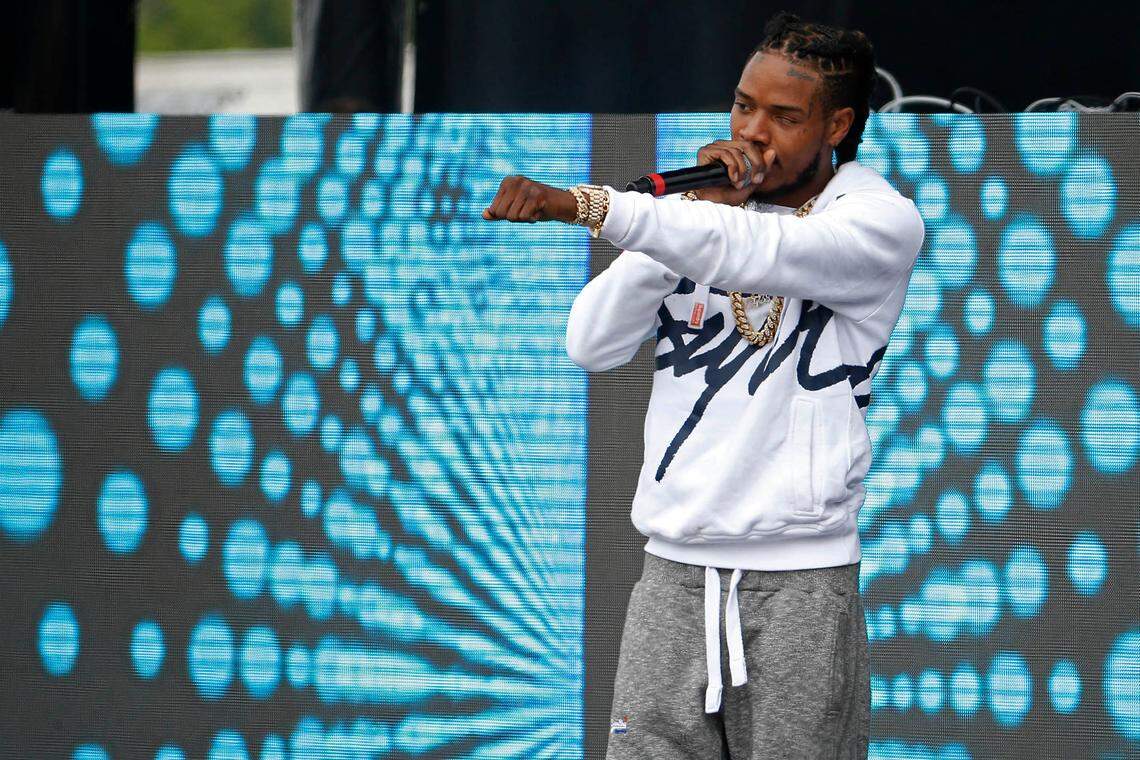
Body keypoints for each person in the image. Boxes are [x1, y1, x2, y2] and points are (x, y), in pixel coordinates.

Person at [483, 11, 924, 759]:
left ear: (838, 125)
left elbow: (759, 252)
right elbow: (591, 342)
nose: (753, 132)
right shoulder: (701, 220)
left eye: (784, 116)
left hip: (802, 580)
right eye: (743, 106)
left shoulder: (878, 221)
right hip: (673, 573)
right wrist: (688, 212)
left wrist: (585, 205)